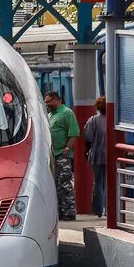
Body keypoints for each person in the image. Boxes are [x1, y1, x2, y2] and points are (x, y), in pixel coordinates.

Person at [45, 91, 79, 220]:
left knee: (65, 184)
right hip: (53, 155)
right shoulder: (50, 115)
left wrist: (67, 148)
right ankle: (59, 212)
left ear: (56, 100)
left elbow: (74, 133)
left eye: (48, 102)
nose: (46, 104)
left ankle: (69, 212)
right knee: (56, 185)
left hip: (62, 154)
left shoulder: (66, 113)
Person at [83, 97, 107, 217]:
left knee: (98, 182)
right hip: (110, 157)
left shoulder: (93, 120)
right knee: (109, 183)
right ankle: (109, 209)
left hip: (96, 156)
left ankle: (99, 210)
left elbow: (88, 137)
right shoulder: (114, 120)